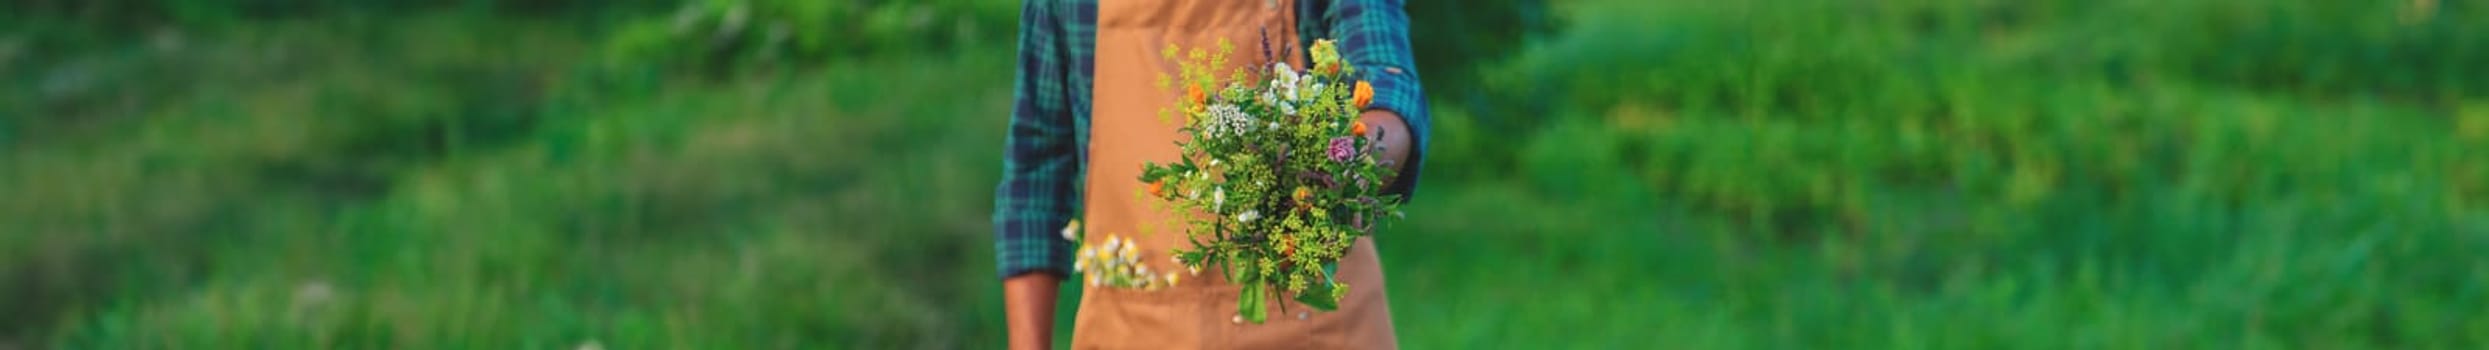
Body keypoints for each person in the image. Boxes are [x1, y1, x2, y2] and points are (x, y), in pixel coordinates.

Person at [995, 0, 1429, 348]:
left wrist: (1347, 158)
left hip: (1310, 323)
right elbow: (1036, 168)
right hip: (1133, 328)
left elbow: (1385, 76)